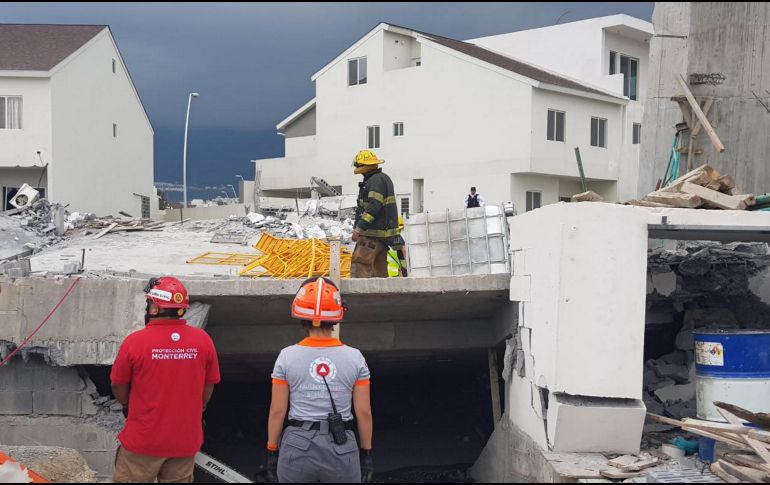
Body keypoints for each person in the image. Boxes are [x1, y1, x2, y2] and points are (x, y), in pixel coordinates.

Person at [111, 276, 221, 483]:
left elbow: (118, 384)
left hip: (143, 442)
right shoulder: (203, 340)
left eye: (149, 303)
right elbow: (209, 384)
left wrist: (127, 404)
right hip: (184, 441)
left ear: (154, 309)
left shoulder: (135, 342)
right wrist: (198, 410)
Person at [266, 277, 374, 483]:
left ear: (299, 314)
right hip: (341, 446)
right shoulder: (355, 357)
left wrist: (272, 450)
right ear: (337, 315)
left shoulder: (286, 356)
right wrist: (366, 454)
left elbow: (278, 411)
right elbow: (363, 413)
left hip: (297, 444)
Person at [351, 150, 401, 278]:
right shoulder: (382, 178)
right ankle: (380, 297)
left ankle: (358, 296)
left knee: (360, 266)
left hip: (372, 234)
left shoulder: (374, 181)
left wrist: (359, 227)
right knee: (378, 272)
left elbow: (373, 207)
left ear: (364, 167)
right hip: (382, 236)